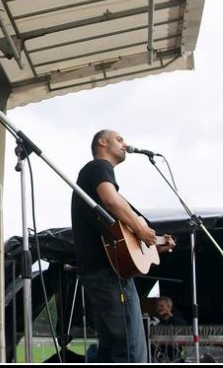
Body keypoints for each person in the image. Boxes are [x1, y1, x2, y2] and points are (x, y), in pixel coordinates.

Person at [70, 129, 175, 363]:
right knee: (132, 351)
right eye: (119, 139)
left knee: (110, 351)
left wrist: (153, 244)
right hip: (110, 274)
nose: (125, 144)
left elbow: (120, 233)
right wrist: (140, 229)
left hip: (102, 272)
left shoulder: (95, 177)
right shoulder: (98, 167)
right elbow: (110, 199)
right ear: (102, 141)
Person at [152, 296, 188, 362]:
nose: (159, 308)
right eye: (157, 306)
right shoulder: (155, 321)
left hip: (176, 355)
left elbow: (183, 326)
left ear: (169, 307)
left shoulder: (177, 320)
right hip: (159, 356)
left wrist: (170, 315)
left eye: (161, 306)